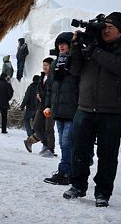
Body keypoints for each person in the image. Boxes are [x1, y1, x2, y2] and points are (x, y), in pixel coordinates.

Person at [63, 12, 121, 207]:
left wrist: (94, 49)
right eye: (103, 27)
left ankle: (103, 192)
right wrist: (77, 48)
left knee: (107, 155)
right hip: (85, 108)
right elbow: (74, 70)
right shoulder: (91, 48)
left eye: (110, 28)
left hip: (112, 112)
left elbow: (119, 67)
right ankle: (77, 185)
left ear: (120, 31)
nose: (105, 30)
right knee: (79, 150)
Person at [43, 32, 79, 186]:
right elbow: (50, 88)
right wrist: (48, 105)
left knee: (66, 142)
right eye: (59, 44)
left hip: (72, 110)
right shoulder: (55, 64)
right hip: (58, 111)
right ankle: (67, 172)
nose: (61, 46)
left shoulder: (76, 62)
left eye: (64, 43)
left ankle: (65, 172)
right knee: (64, 142)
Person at [25, 57, 56, 156]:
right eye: (44, 65)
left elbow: (51, 92)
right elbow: (39, 89)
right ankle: (46, 144)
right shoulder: (42, 76)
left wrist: (41, 95)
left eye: (47, 65)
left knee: (48, 128)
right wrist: (38, 94)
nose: (44, 67)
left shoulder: (54, 77)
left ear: (52, 66)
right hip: (41, 105)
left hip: (50, 106)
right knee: (36, 126)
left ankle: (50, 148)